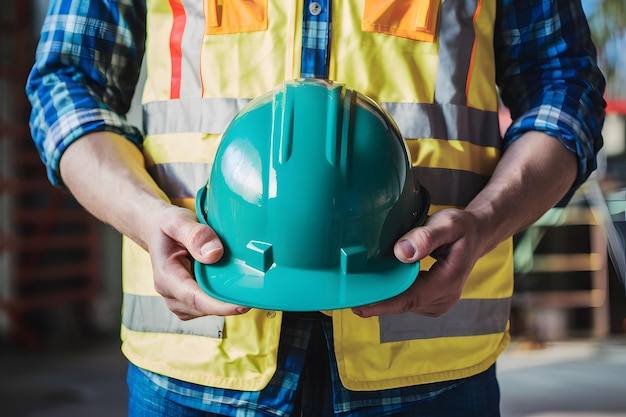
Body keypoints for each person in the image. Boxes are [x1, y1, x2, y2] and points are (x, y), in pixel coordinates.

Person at [26, 0, 606, 416]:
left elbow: (563, 87)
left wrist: (485, 222)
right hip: (195, 368)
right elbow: (68, 84)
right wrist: (145, 217)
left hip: (426, 367)